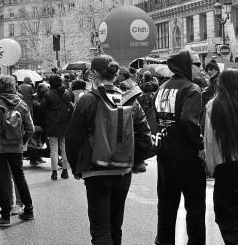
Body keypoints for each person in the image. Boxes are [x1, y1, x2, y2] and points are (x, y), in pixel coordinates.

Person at [65, 54, 151, 245]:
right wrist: (134, 160)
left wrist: (76, 166)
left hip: (95, 170)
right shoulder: (130, 100)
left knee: (100, 229)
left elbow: (72, 138)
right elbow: (145, 136)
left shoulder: (88, 100)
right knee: (115, 226)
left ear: (94, 74)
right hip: (123, 171)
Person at [154, 50, 206, 245]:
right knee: (195, 206)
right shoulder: (192, 89)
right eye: (196, 64)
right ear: (186, 66)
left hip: (164, 154)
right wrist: (200, 146)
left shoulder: (162, 87)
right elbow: (189, 121)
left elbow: (155, 119)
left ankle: (163, 240)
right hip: (187, 156)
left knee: (166, 203)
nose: (200, 67)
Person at [204, 69, 238, 244]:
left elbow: (210, 143)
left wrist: (212, 169)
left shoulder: (213, 105)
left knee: (228, 217)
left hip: (226, 168)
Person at [0, 75, 35, 227]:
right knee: (20, 178)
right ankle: (29, 210)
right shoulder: (22, 104)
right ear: (13, 87)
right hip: (16, 148)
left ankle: (5, 216)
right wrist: (22, 141)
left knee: (3, 180)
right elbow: (30, 128)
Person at [42, 75, 72, 180]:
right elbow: (70, 107)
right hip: (64, 124)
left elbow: (43, 108)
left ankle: (54, 173)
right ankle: (65, 171)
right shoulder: (67, 93)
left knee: (54, 149)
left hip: (52, 124)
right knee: (64, 149)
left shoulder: (48, 94)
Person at [201, 59, 220, 124]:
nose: (209, 71)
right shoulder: (212, 81)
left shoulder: (218, 81)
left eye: (211, 69)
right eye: (207, 70)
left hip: (214, 111)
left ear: (217, 69)